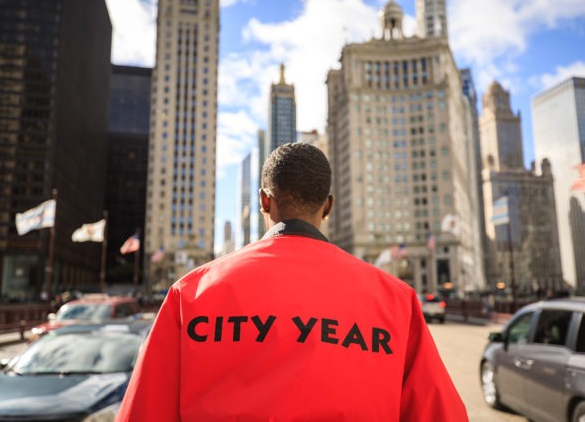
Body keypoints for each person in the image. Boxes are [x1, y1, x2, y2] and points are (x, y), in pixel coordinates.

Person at [117, 143, 468, 421]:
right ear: (327, 207)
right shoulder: (396, 301)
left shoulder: (190, 294)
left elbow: (143, 412)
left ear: (264, 201)